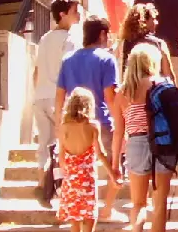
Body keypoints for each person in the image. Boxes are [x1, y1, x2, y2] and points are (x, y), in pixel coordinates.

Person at [54, 17, 123, 220]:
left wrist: (60, 126)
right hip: (100, 121)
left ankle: (77, 210)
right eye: (107, 34)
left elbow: (59, 96)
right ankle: (106, 209)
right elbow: (110, 96)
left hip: (72, 124)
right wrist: (120, 124)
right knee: (114, 165)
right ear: (101, 34)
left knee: (77, 169)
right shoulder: (107, 59)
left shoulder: (68, 60)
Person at [112, 43, 178, 232]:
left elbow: (119, 132)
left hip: (135, 144)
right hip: (163, 143)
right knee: (160, 203)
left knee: (138, 203)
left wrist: (115, 163)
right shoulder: (163, 86)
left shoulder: (123, 93)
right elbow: (177, 120)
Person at [33, 0, 82, 205]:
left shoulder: (44, 38)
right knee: (65, 143)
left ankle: (42, 184)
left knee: (44, 143)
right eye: (74, 11)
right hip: (58, 97)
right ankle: (62, 188)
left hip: (40, 96)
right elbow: (69, 68)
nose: (78, 14)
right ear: (62, 15)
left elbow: (36, 71)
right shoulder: (69, 39)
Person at [56, 87, 110, 232]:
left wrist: (66, 173)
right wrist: (112, 173)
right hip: (87, 179)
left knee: (74, 220)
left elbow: (61, 157)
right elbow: (100, 154)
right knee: (89, 216)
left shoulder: (63, 127)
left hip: (71, 179)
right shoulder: (92, 126)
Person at [116, 2, 174, 78]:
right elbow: (168, 76)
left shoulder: (123, 44)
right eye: (153, 19)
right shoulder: (158, 44)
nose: (156, 23)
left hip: (130, 84)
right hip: (152, 84)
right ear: (144, 21)